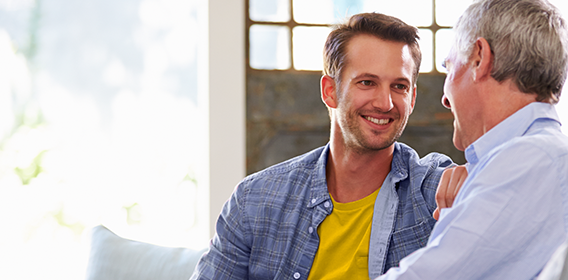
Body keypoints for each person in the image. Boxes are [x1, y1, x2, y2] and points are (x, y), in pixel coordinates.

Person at [190, 13, 456, 280]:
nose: (385, 102)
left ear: (412, 99)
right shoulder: (254, 202)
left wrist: (479, 175)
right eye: (367, 82)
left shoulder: (434, 192)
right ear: (330, 90)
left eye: (399, 86)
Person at [375, 0, 568, 279]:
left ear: (480, 57)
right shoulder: (546, 158)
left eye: (449, 67)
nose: (444, 98)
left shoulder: (529, 162)